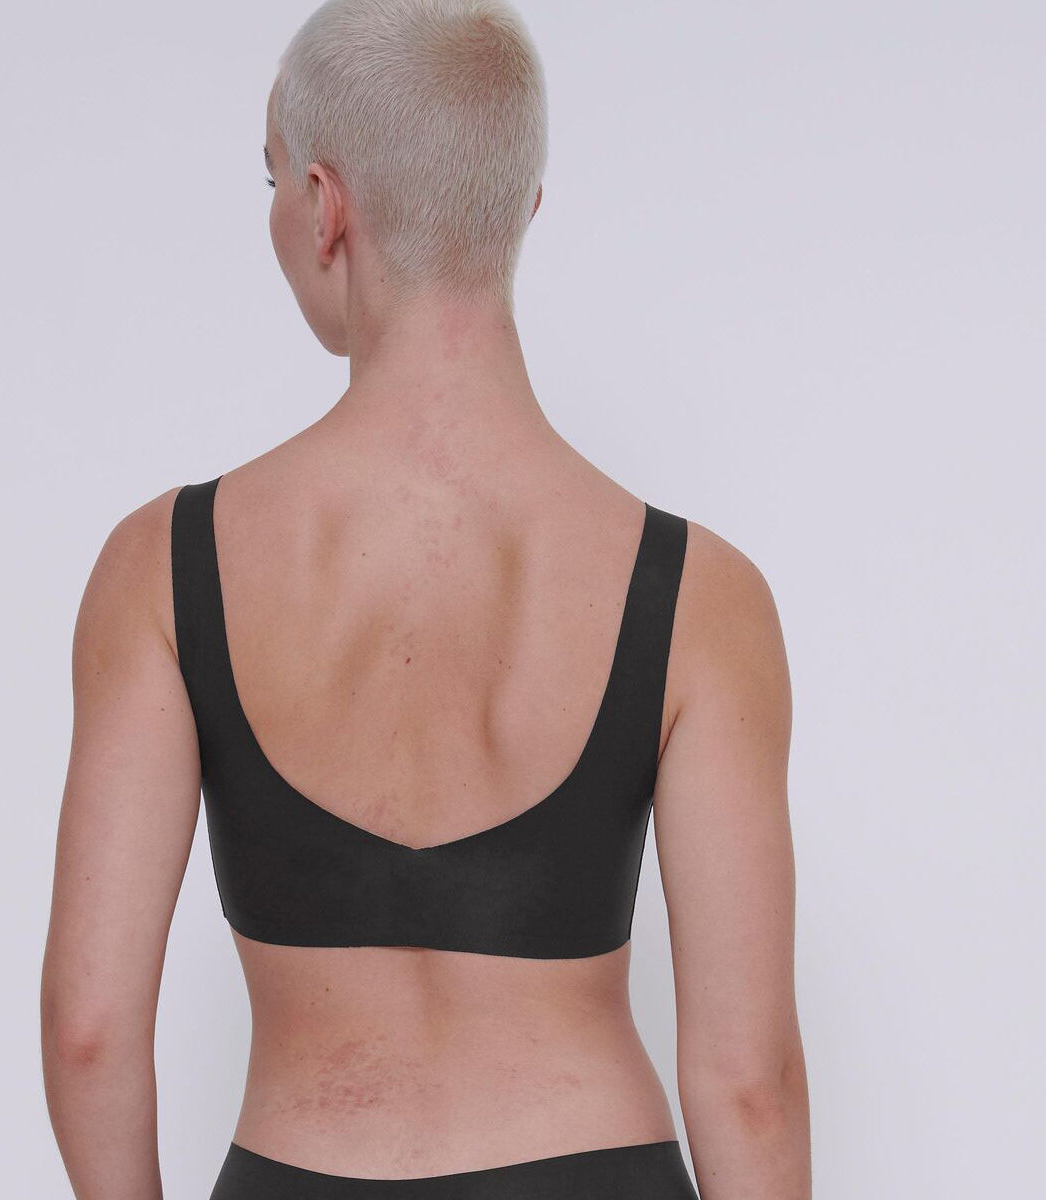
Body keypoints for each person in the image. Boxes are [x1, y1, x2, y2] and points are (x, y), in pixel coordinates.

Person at [40, 2, 811, 1197]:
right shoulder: (703, 597)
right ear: (521, 208)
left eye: (271, 181)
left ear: (324, 206)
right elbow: (748, 1082)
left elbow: (89, 1030)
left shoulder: (164, 565)